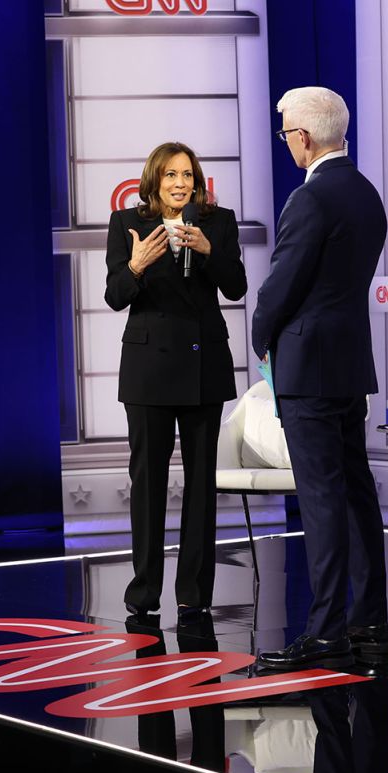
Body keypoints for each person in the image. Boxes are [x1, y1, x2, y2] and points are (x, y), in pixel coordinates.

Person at [251, 87, 388, 668]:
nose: (286, 143)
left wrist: (261, 332)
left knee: (322, 498)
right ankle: (370, 622)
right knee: (355, 492)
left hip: (308, 368)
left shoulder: (311, 199)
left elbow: (282, 284)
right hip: (348, 364)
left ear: (304, 139)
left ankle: (328, 630)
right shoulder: (366, 195)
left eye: (286, 134)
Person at [105, 142, 247, 618]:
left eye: (187, 174)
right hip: (149, 373)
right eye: (170, 175)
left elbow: (237, 286)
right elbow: (115, 296)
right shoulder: (127, 225)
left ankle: (194, 595)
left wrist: (208, 252)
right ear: (154, 181)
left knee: (202, 485)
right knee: (147, 483)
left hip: (203, 367)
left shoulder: (219, 222)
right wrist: (136, 265)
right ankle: (144, 592)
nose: (180, 183)